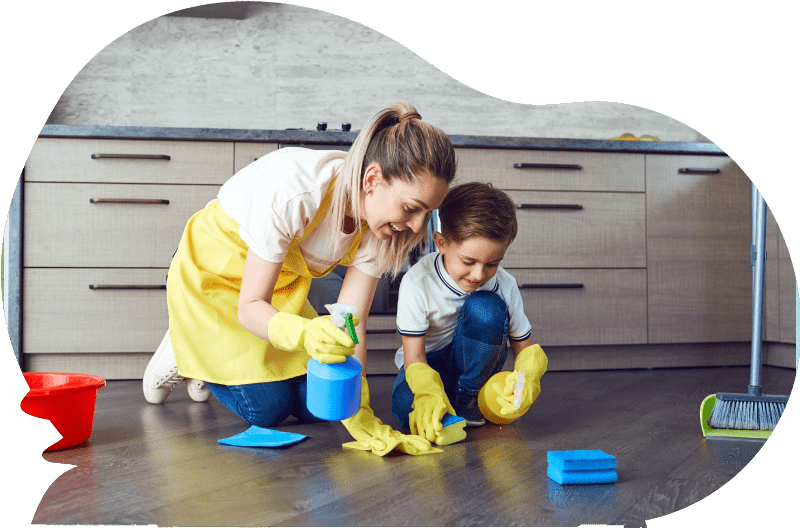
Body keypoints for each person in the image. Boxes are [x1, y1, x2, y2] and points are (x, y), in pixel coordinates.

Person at [142, 102, 457, 456]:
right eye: (412, 208)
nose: (417, 226)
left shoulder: (382, 227)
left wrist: (358, 413)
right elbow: (249, 307)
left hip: (277, 288)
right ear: (372, 180)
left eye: (427, 213)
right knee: (267, 409)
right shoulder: (296, 191)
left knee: (323, 405)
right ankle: (185, 343)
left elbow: (352, 322)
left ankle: (208, 357)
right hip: (214, 280)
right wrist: (307, 334)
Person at [391, 182, 548, 443]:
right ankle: (446, 395)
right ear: (441, 243)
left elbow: (523, 346)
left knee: (486, 307)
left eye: (492, 264)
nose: (479, 275)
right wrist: (427, 393)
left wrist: (528, 377)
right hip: (427, 364)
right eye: (468, 261)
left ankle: (470, 396)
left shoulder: (504, 284)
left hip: (476, 365)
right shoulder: (417, 282)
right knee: (406, 407)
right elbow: (414, 356)